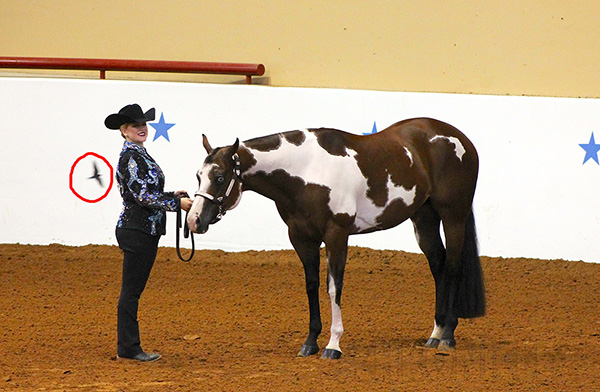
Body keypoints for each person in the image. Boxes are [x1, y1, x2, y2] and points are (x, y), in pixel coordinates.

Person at [105, 103, 193, 362]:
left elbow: (146, 194)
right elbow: (143, 197)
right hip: (138, 230)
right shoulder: (132, 157)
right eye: (136, 125)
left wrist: (170, 195)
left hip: (142, 228)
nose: (142, 128)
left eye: (144, 124)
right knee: (131, 291)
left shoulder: (138, 154)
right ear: (124, 131)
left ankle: (128, 346)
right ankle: (129, 348)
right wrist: (177, 204)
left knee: (132, 290)